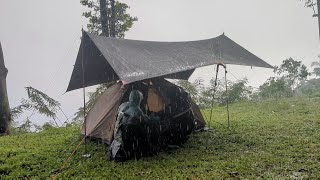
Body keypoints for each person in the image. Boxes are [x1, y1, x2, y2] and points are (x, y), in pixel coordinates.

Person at [110, 90, 148, 161]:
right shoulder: (138, 111)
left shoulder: (122, 105)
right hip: (128, 137)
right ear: (138, 99)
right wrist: (145, 118)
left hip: (118, 133)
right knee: (145, 130)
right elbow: (141, 125)